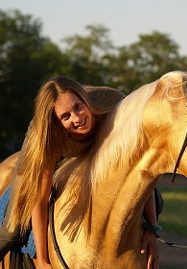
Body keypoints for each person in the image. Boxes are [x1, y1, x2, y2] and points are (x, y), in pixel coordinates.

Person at [0, 76, 159, 269]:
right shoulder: (48, 135)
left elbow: (138, 168)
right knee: (11, 227)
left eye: (78, 107)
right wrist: (42, 259)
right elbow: (40, 200)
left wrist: (151, 229)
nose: (77, 118)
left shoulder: (115, 106)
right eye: (65, 116)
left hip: (92, 147)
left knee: (155, 196)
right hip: (42, 140)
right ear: (57, 122)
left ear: (84, 99)